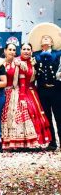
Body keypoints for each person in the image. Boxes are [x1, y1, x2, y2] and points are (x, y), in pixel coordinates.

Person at [0, 43, 39, 150]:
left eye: (13, 50)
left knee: (15, 116)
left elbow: (22, 82)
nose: (12, 51)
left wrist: (22, 97)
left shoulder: (18, 64)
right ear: (5, 50)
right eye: (10, 49)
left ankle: (14, 143)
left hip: (13, 92)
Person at [29, 22, 61, 151]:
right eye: (43, 38)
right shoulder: (35, 55)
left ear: (52, 42)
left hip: (57, 89)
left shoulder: (58, 54)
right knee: (46, 117)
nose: (45, 39)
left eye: (48, 38)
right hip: (42, 90)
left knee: (59, 116)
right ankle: (52, 143)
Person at [19, 42, 52, 147]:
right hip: (19, 92)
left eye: (28, 49)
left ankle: (34, 142)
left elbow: (34, 79)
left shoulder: (34, 62)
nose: (26, 51)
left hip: (32, 91)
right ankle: (21, 142)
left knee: (34, 113)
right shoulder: (16, 61)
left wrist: (34, 67)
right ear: (20, 50)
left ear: (32, 51)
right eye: (24, 49)